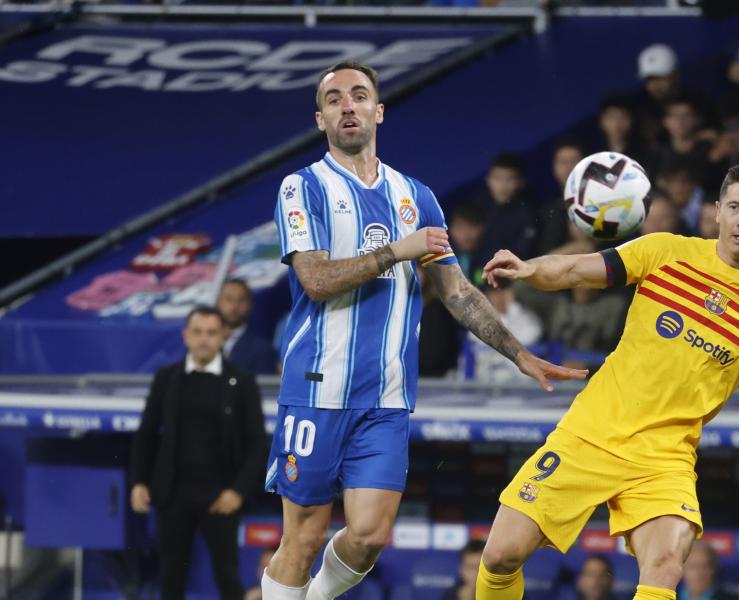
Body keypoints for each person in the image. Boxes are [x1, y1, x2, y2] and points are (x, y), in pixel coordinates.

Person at [261, 60, 583, 600]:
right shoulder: (303, 187)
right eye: (334, 99)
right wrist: (396, 251)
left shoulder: (417, 197)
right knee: (305, 536)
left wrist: (517, 354)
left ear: (378, 111)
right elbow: (315, 279)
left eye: (359, 95)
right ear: (320, 119)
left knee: (367, 536)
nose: (348, 106)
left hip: (387, 397)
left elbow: (456, 291)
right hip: (317, 389)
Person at [475, 165, 739, 600]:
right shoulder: (665, 251)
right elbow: (578, 270)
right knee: (500, 555)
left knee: (665, 566)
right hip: (591, 434)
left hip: (665, 458)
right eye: (734, 207)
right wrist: (530, 268)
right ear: (717, 212)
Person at [130, 306, 266, 600]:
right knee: (171, 578)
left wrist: (238, 491)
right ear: (186, 336)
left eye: (211, 332)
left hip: (222, 496)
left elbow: (257, 443)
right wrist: (139, 481)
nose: (204, 339)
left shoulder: (241, 382)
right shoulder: (167, 378)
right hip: (173, 494)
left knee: (227, 576)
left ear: (223, 336)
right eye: (198, 332)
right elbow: (147, 433)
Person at [478, 152, 539, 262]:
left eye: (509, 179)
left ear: (521, 182)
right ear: (488, 180)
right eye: (498, 178)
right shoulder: (477, 207)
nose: (503, 185)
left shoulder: (528, 214)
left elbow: (522, 254)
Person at [536, 140, 586, 256]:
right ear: (554, 167)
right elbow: (543, 256)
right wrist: (572, 249)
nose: (569, 167)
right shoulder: (547, 210)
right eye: (563, 162)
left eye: (574, 161)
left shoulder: (602, 203)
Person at [217, 278, 278, 374]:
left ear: (250, 305)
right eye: (228, 299)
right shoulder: (201, 342)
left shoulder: (262, 350)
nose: (234, 307)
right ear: (218, 302)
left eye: (241, 300)